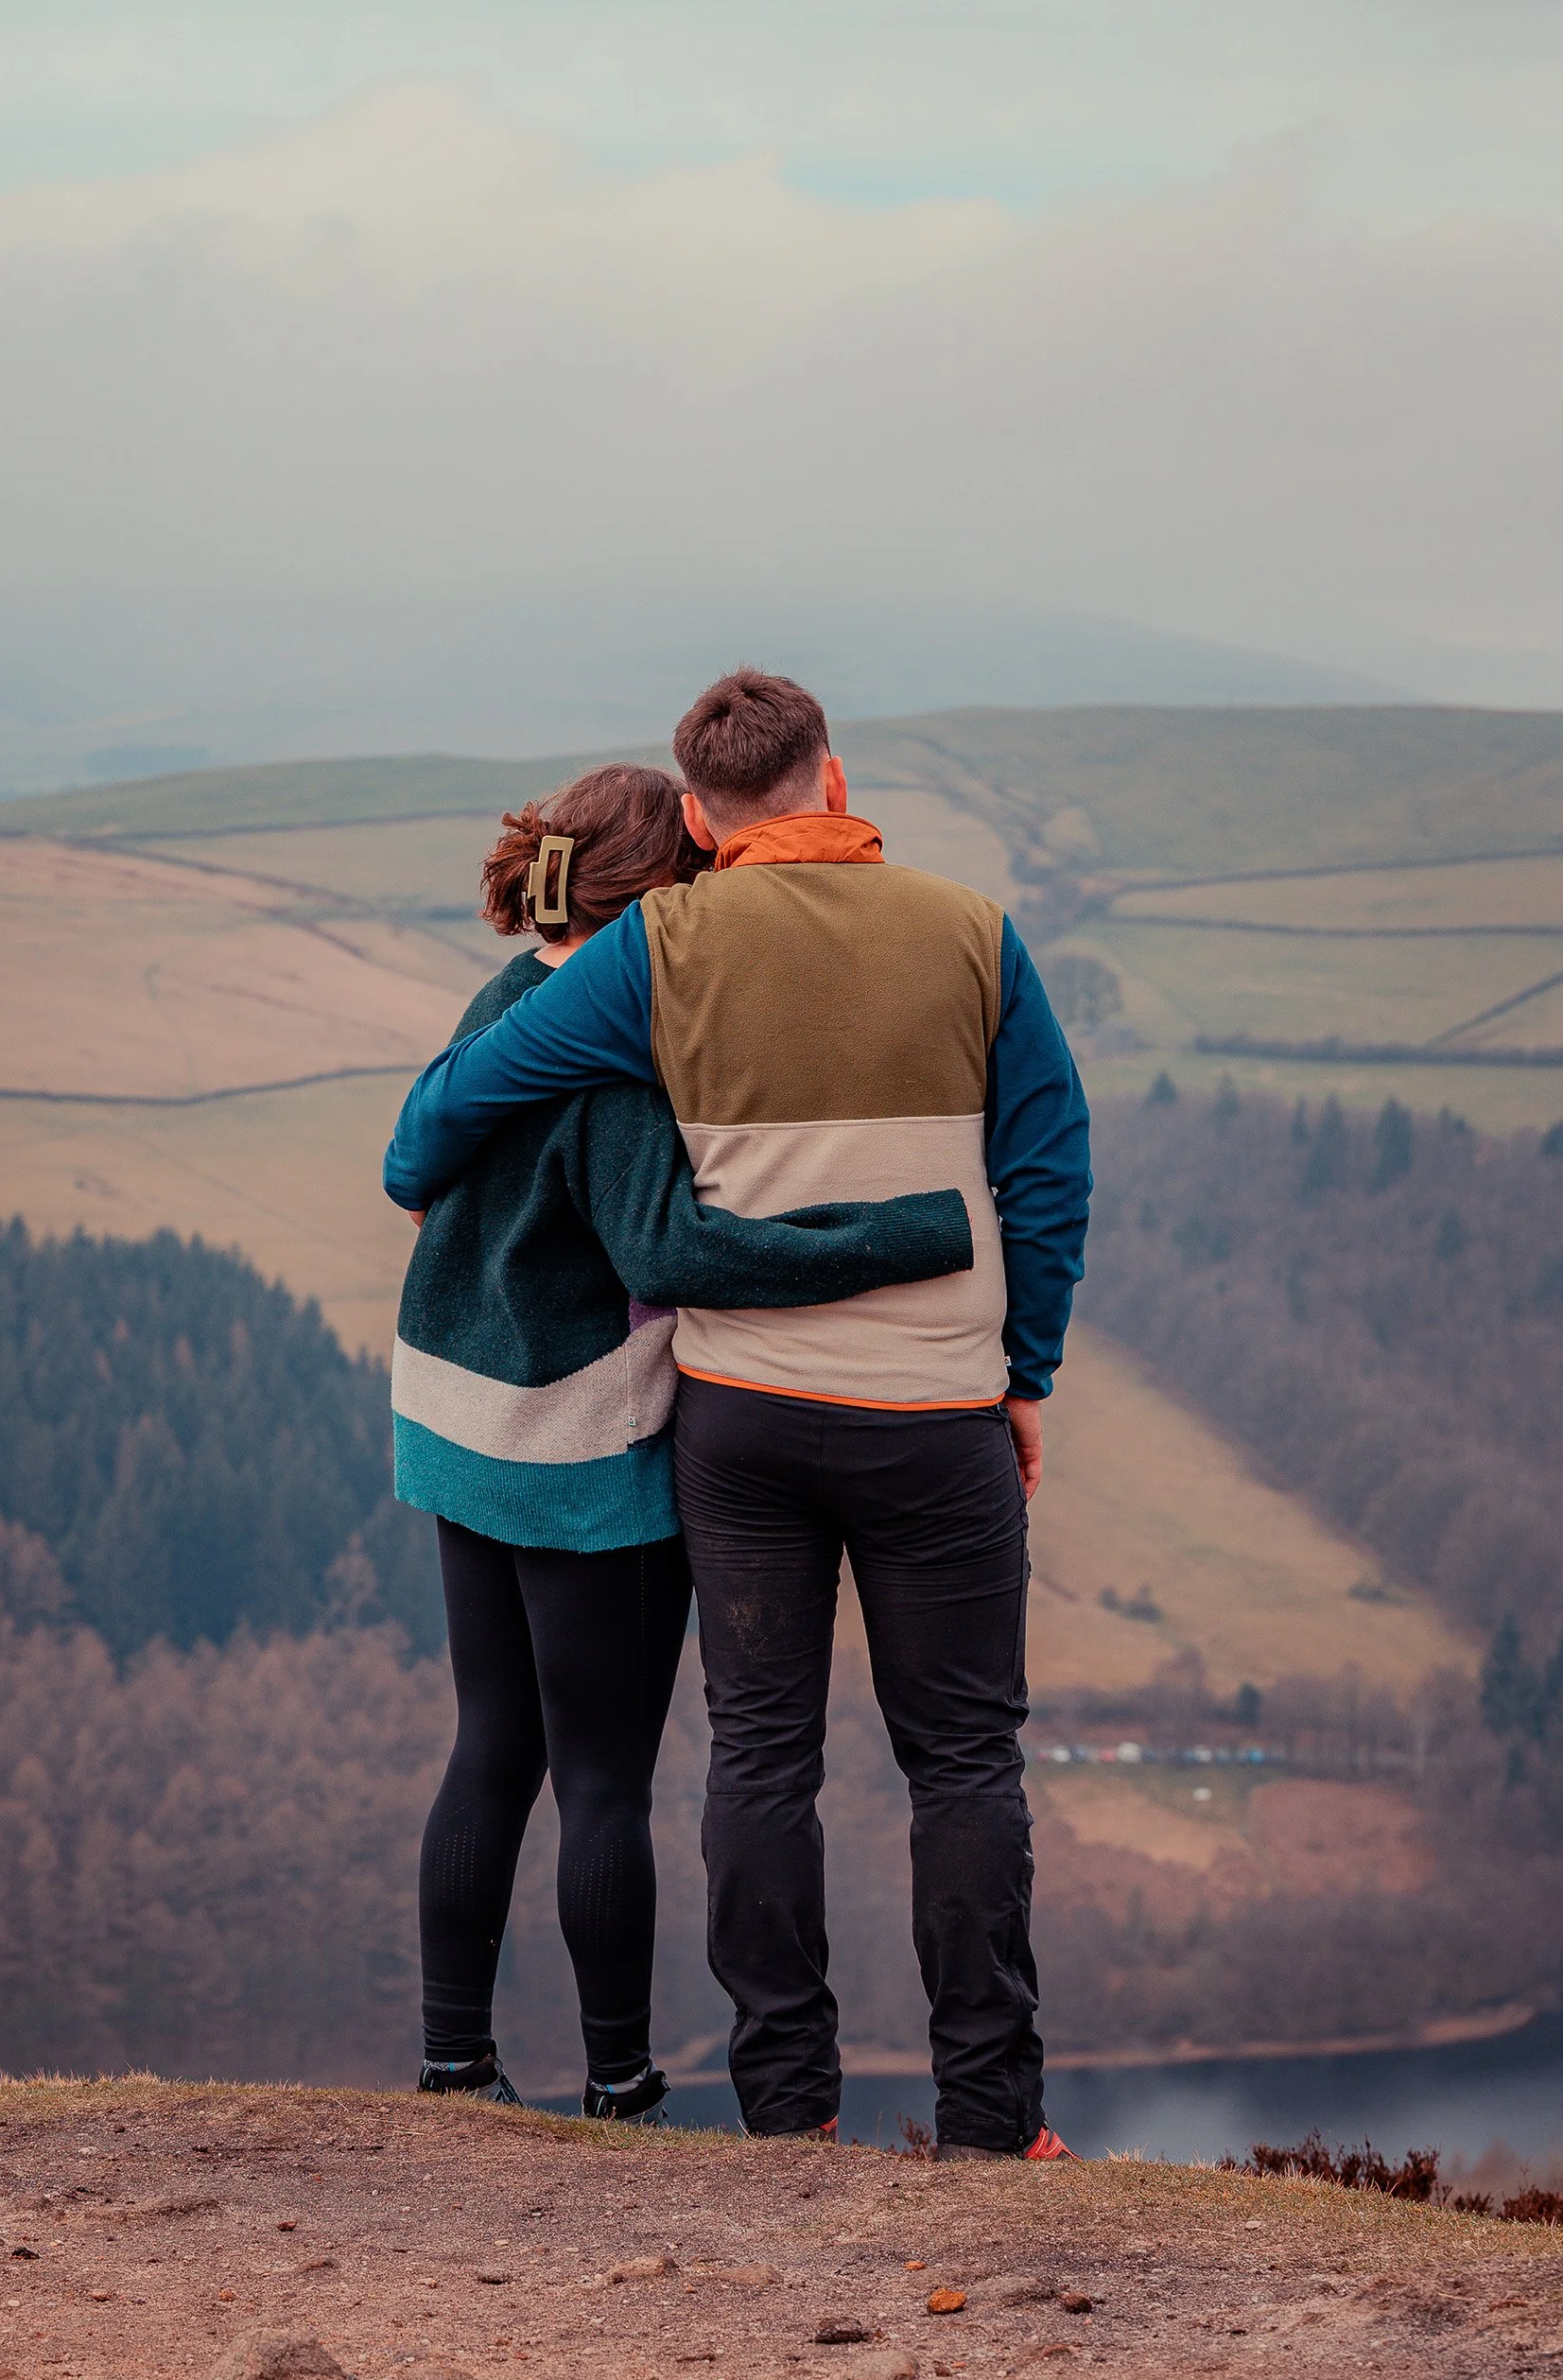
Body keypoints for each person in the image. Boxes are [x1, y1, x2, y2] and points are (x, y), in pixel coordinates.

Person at [384, 673, 1093, 2156]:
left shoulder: (650, 955)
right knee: (963, 1761)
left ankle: (783, 2114)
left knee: (755, 1758)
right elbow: (1047, 1171)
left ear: (708, 814)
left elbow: (441, 1125)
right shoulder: (976, 935)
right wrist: (1017, 1366)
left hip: (726, 1422)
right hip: (930, 1414)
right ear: (834, 779)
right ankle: (992, 2121)